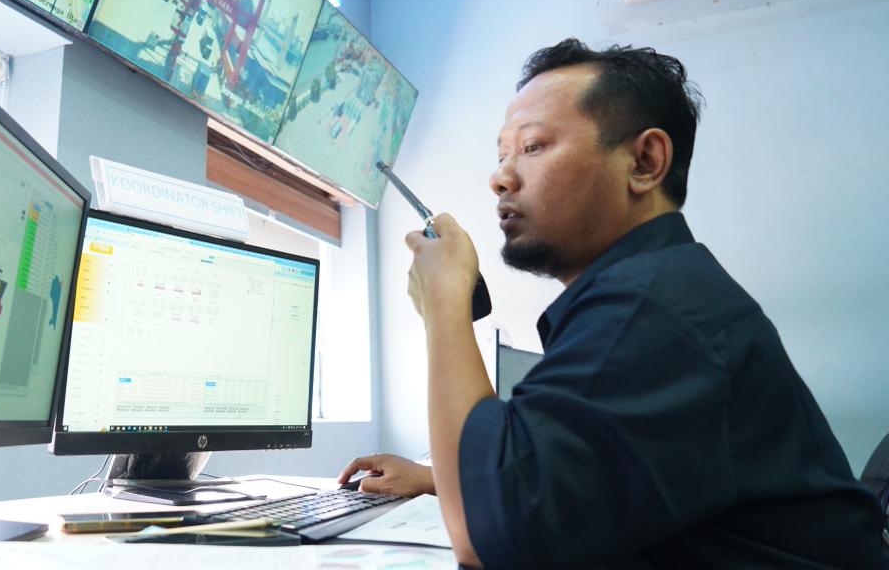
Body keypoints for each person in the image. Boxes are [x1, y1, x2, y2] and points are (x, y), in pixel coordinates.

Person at [339, 40, 885, 568]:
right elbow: (584, 479)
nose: (500, 177)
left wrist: (444, 305)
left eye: (533, 146)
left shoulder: (652, 308)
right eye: (502, 154)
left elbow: (488, 535)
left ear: (645, 161)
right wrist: (439, 478)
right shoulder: (659, 286)